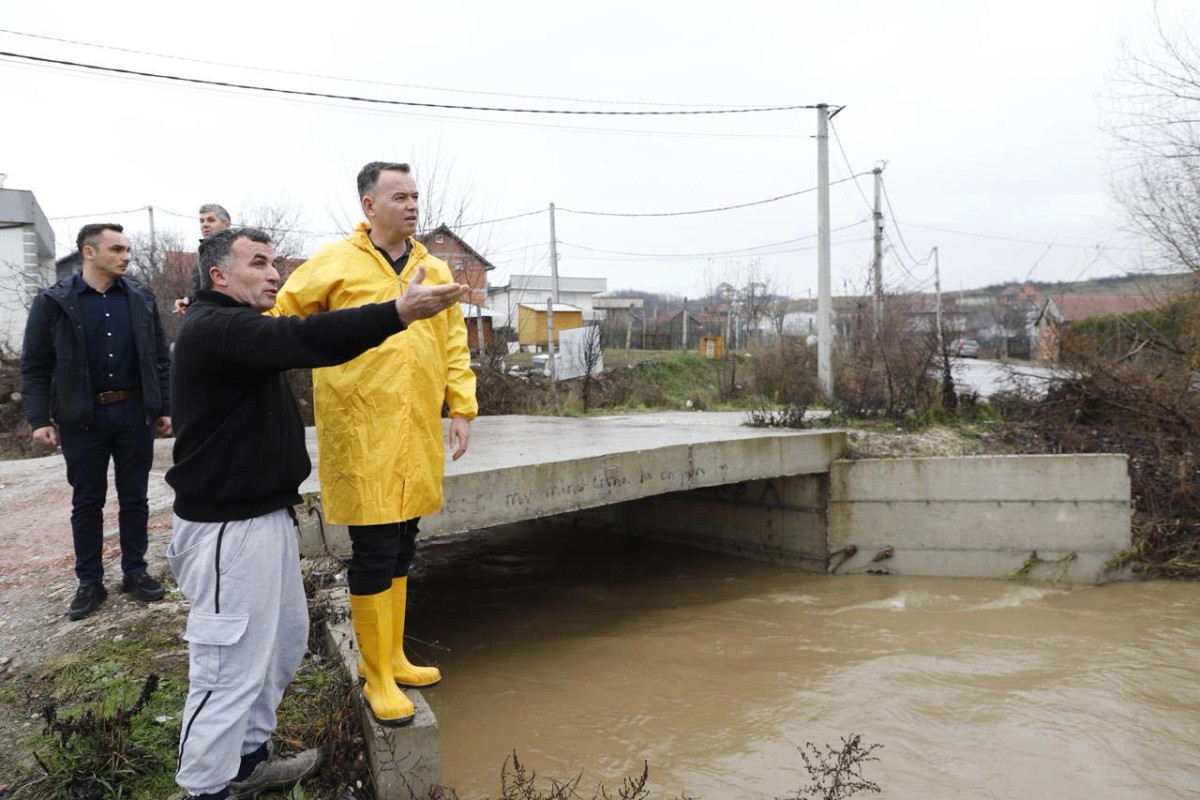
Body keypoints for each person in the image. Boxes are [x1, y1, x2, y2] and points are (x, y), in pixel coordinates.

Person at [166, 226, 468, 799]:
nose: (274, 274)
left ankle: (248, 762)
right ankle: (205, 788)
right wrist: (396, 311)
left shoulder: (236, 328)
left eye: (274, 262)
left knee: (278, 647)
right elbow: (312, 337)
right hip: (228, 529)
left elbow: (299, 336)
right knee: (227, 667)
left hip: (264, 516)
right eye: (258, 263)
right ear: (219, 277)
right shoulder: (217, 329)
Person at [270, 161, 477, 725]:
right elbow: (278, 320)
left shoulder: (433, 268)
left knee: (406, 540)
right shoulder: (333, 264)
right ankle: (375, 672)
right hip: (359, 427)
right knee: (374, 548)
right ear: (369, 206)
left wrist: (461, 408)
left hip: (415, 427)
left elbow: (454, 342)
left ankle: (395, 655)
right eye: (399, 196)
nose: (412, 205)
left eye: (415, 196)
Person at [20, 223, 172, 621]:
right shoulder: (53, 301)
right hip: (80, 417)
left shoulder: (140, 297)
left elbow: (160, 357)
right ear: (89, 252)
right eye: (117, 249)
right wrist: (39, 418)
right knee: (87, 501)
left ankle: (135, 573)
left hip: (133, 411)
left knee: (135, 496)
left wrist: (164, 407)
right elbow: (35, 366)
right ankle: (90, 582)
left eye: (127, 249)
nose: (126, 256)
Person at [173, 203, 232, 315]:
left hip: (231, 319)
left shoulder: (237, 251)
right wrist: (189, 301)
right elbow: (205, 293)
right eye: (202, 221)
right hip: (208, 318)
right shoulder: (203, 254)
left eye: (211, 220)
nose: (205, 225)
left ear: (226, 225)